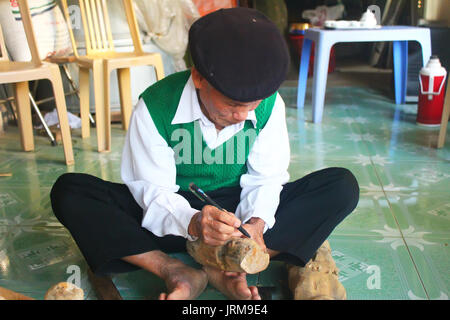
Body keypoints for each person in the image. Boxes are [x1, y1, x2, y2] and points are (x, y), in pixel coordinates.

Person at [50, 7, 359, 300]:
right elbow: (152, 192)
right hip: (175, 220)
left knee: (340, 187)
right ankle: (177, 270)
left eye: (251, 105)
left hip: (236, 216)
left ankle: (233, 261)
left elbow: (266, 179)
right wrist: (195, 222)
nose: (243, 115)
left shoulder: (267, 103)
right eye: (234, 105)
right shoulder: (156, 107)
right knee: (70, 192)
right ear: (198, 78)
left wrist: (255, 226)